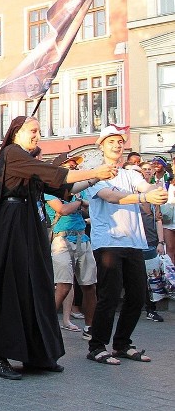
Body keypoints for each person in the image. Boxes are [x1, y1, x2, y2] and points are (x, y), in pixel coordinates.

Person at [0, 116, 116, 380]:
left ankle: (37, 355)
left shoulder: (28, 161)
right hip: (14, 227)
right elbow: (57, 174)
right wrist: (94, 171)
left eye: (39, 131)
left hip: (31, 226)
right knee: (12, 287)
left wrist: (96, 179)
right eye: (33, 130)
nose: (37, 135)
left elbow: (63, 186)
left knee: (37, 287)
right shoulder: (12, 153)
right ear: (16, 133)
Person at [85, 126, 168, 366]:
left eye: (120, 141)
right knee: (109, 296)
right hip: (108, 242)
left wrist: (156, 191)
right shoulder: (94, 174)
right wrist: (144, 198)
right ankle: (97, 346)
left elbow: (146, 188)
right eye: (111, 141)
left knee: (137, 295)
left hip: (133, 241)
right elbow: (111, 196)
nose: (117, 145)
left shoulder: (131, 175)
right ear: (102, 146)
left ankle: (122, 344)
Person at [45, 154, 97, 335]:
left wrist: (80, 201)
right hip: (61, 239)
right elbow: (62, 209)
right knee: (64, 285)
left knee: (89, 285)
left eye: (75, 166)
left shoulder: (79, 189)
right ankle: (46, 326)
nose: (74, 169)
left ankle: (90, 328)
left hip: (82, 238)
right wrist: (78, 202)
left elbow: (91, 207)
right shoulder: (50, 188)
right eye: (70, 166)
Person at [136, 162, 166, 322]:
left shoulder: (154, 193)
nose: (147, 172)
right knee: (136, 278)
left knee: (152, 277)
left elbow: (158, 219)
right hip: (134, 241)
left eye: (149, 169)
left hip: (151, 240)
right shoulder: (131, 194)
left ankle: (150, 309)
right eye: (144, 169)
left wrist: (161, 242)